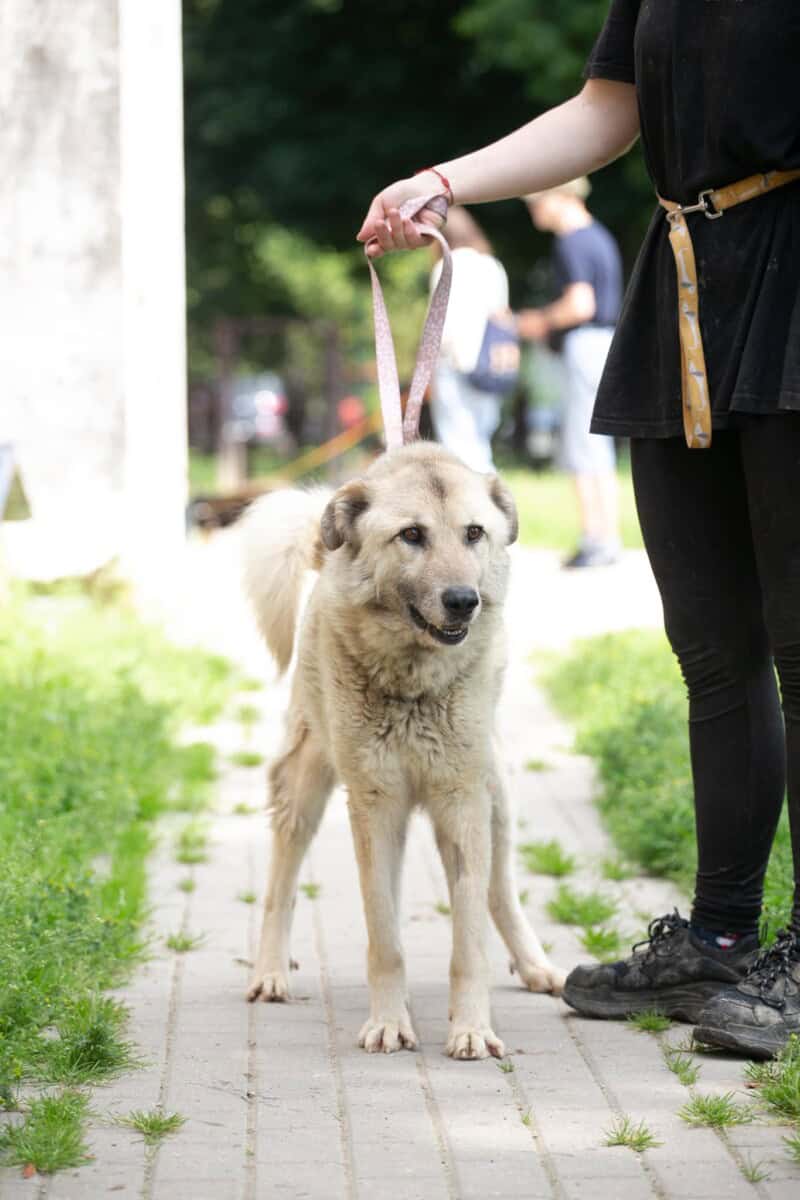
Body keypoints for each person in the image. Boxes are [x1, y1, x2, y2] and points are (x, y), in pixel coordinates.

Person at [358, 1, 800, 1058]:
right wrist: (445, 180)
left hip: (793, 280)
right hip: (687, 285)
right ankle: (720, 939)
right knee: (712, 649)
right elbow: (608, 110)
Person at [518, 179, 623, 568]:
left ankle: (595, 538)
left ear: (561, 197)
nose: (534, 211)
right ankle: (606, 536)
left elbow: (580, 304)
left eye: (537, 202)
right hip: (603, 342)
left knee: (582, 442)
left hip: (584, 344)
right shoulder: (599, 236)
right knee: (598, 443)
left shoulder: (572, 241)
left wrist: (537, 321)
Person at [428, 205, 511, 473]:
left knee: (457, 443)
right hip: (489, 363)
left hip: (455, 361)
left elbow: (440, 326)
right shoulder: (492, 265)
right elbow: (502, 316)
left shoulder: (446, 265)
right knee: (480, 439)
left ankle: (473, 495)